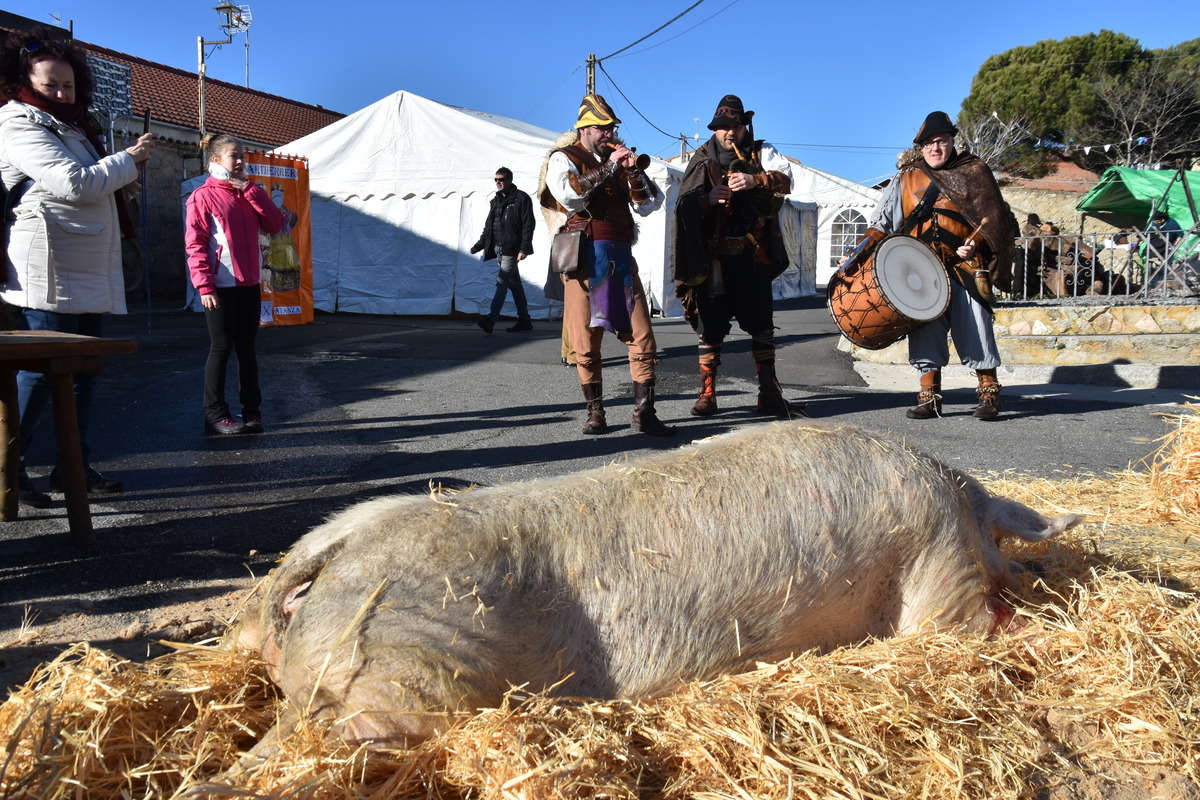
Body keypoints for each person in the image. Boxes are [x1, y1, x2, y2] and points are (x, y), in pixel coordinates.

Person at [0, 32, 157, 507]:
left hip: (85, 267)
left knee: (86, 372)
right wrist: (126, 160)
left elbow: (99, 194)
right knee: (39, 374)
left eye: (69, 86)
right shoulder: (16, 124)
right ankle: (10, 469)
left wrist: (128, 178)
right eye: (52, 85)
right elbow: (73, 184)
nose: (63, 94)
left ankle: (73, 466)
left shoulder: (74, 129)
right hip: (46, 270)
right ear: (22, 81)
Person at [853, 110, 1015, 420]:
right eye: (928, 143)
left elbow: (997, 222)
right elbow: (882, 223)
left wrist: (977, 243)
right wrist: (858, 253)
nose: (935, 149)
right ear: (921, 147)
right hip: (921, 270)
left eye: (941, 141)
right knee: (925, 329)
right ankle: (929, 395)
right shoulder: (906, 177)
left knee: (976, 328)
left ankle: (988, 391)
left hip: (965, 268)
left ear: (953, 141)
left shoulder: (974, 172)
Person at [537, 93, 673, 437]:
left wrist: (631, 173)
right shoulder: (563, 158)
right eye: (602, 128)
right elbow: (570, 195)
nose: (609, 133)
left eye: (611, 128)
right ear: (584, 129)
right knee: (585, 341)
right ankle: (595, 412)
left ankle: (644, 412)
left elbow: (648, 206)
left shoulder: (614, 164)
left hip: (620, 256)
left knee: (642, 337)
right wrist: (611, 165)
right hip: (583, 257)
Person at [673, 94, 799, 417]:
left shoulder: (762, 152)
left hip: (752, 256)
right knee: (710, 326)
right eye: (723, 126)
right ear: (715, 129)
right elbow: (683, 203)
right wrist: (707, 199)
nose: (730, 132)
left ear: (744, 127)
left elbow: (787, 182)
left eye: (736, 125)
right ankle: (707, 393)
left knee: (761, 326)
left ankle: (768, 392)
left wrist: (755, 179)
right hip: (715, 260)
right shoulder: (701, 158)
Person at [185, 133, 283, 436]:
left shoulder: (249, 192)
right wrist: (204, 286)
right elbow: (195, 245)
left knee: (247, 350)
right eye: (233, 156)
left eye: (242, 155)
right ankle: (215, 415)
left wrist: (252, 191)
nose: (240, 161)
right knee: (221, 349)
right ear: (216, 160)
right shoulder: (202, 196)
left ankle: (252, 412)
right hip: (220, 286)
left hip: (249, 284)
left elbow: (276, 224)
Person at [470, 166, 535, 333]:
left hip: (512, 250)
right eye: (496, 179)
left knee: (502, 282)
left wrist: (524, 248)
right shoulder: (495, 200)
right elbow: (490, 226)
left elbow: (528, 225)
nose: (498, 182)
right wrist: (479, 245)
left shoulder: (521, 199)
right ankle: (524, 320)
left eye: (502, 179)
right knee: (515, 285)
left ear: (510, 180)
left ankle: (491, 319)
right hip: (498, 249)